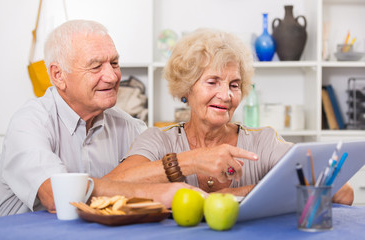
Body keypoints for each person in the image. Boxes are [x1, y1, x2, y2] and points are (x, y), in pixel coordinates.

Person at [107, 28, 354, 205]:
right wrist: (191, 161)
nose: (225, 95)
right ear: (186, 88)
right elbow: (109, 187)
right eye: (212, 81)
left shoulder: (263, 142)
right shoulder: (158, 140)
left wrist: (229, 195)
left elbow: (343, 192)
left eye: (234, 85)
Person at [0, 20, 202, 218]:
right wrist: (161, 193)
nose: (112, 76)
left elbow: (164, 172)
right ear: (58, 75)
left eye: (114, 63)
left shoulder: (127, 125)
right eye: (95, 66)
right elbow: (57, 196)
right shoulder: (28, 122)